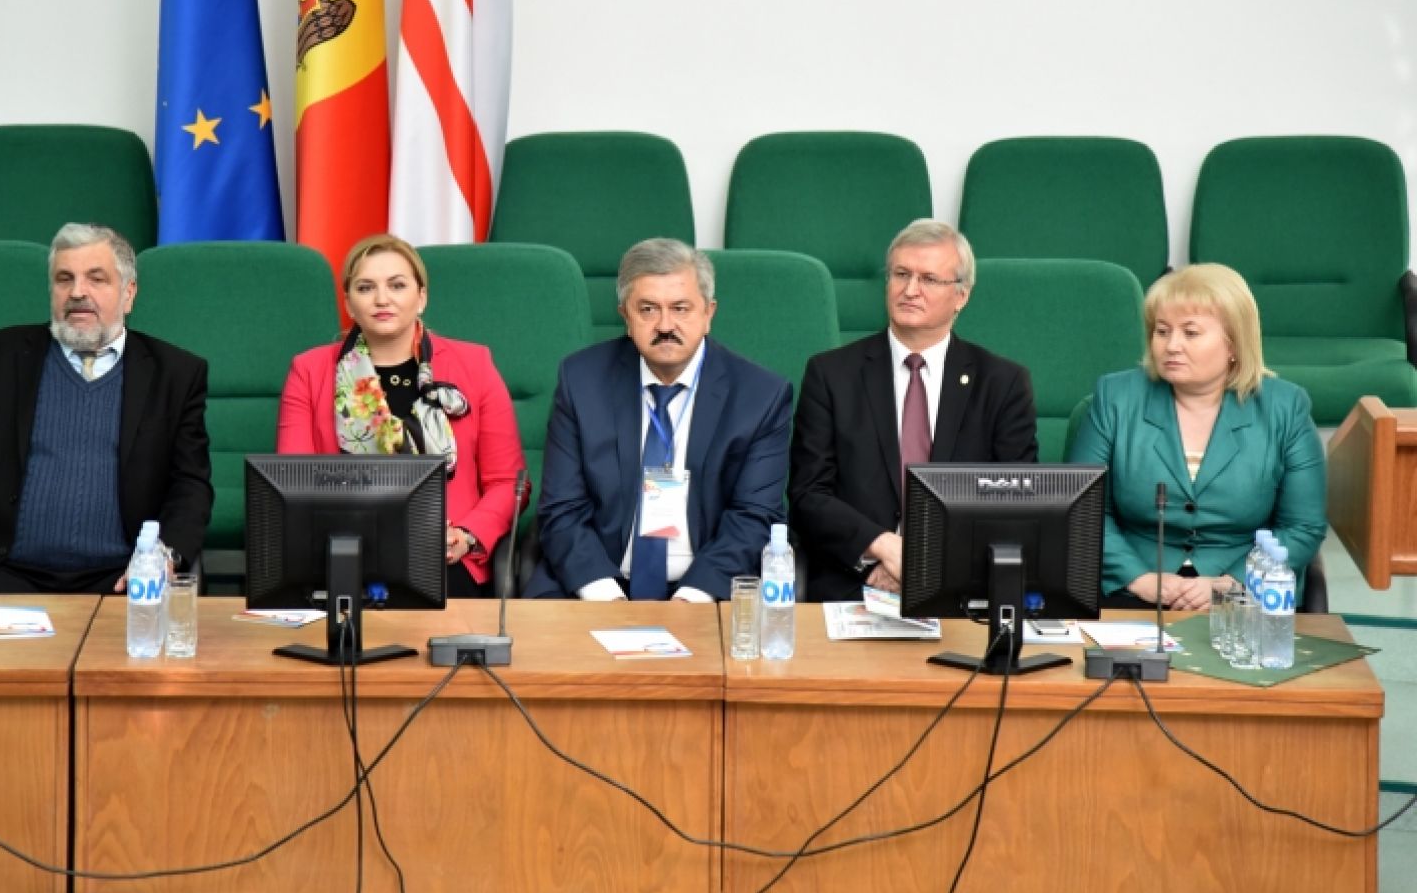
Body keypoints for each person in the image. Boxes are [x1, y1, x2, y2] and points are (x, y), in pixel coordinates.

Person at [0, 223, 213, 594]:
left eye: (96, 279)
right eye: (64, 279)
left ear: (128, 293)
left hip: (120, 579)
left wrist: (164, 556)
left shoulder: (176, 374)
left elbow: (190, 484)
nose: (77, 292)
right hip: (1, 572)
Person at [524, 239, 793, 601]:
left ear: (708, 313)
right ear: (626, 316)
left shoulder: (759, 396)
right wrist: (607, 600)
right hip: (596, 581)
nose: (665, 325)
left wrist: (689, 601)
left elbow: (753, 518)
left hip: (707, 587)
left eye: (681, 308)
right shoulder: (582, 380)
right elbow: (562, 509)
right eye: (648, 309)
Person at [789, 219, 1038, 603]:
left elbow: (1014, 502)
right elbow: (808, 494)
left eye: (929, 279)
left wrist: (924, 566)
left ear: (961, 296)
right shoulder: (831, 374)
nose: (910, 290)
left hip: (960, 587)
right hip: (853, 583)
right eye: (901, 274)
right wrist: (881, 550)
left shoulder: (1002, 384)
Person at [276, 235, 526, 598]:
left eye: (397, 285)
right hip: (344, 557)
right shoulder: (309, 371)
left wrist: (467, 535)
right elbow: (293, 485)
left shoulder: (475, 364)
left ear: (421, 297)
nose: (382, 299)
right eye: (366, 287)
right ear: (348, 303)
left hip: (444, 558)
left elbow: (508, 483)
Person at [1068, 263, 1326, 609]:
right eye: (1162, 331)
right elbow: (1082, 511)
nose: (1171, 346)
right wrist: (1139, 579)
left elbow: (1302, 527)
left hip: (1245, 596)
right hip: (1129, 589)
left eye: (1190, 333)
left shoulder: (1285, 408)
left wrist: (1231, 583)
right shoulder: (1115, 398)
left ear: (1234, 343)